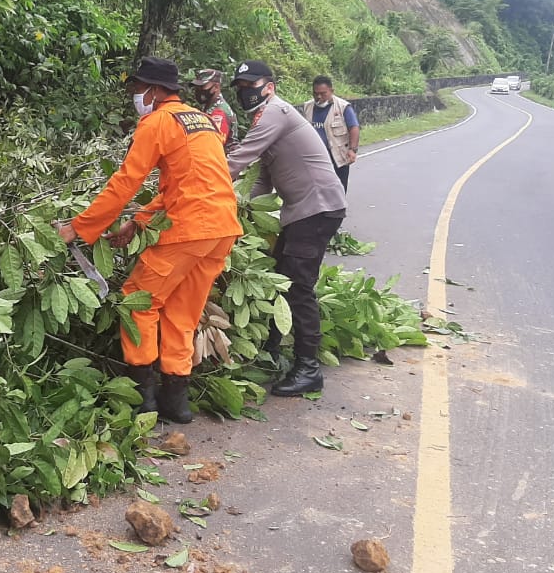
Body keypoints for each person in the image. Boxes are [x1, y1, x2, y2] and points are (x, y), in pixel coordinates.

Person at [56, 57, 241, 424]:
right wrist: (138, 223)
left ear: (155, 91)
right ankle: (177, 402)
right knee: (181, 311)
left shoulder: (156, 122)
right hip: (221, 228)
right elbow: (187, 183)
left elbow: (126, 181)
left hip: (189, 227)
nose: (135, 95)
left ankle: (143, 399)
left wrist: (80, 227)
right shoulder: (199, 120)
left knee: (137, 301)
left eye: (138, 89)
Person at [228, 61, 346, 397]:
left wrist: (201, 185)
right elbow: (262, 179)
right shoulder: (268, 118)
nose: (244, 92)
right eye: (239, 87)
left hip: (317, 208)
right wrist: (240, 208)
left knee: (298, 286)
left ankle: (308, 369)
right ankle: (272, 352)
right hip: (303, 212)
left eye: (250, 84)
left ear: (269, 86)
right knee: (278, 276)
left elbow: (240, 159)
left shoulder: (275, 113)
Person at [300, 75, 360, 192]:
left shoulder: (343, 107)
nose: (319, 97)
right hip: (315, 156)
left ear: (331, 91)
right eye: (316, 93)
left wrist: (353, 150)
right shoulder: (308, 107)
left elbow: (354, 127)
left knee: (339, 188)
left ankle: (338, 209)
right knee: (317, 188)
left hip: (337, 156)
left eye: (323, 94)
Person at [190, 68, 237, 149]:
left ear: (216, 87)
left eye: (202, 86)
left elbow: (215, 144)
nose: (198, 90)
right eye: (197, 87)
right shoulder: (209, 106)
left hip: (222, 158)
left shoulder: (219, 112)